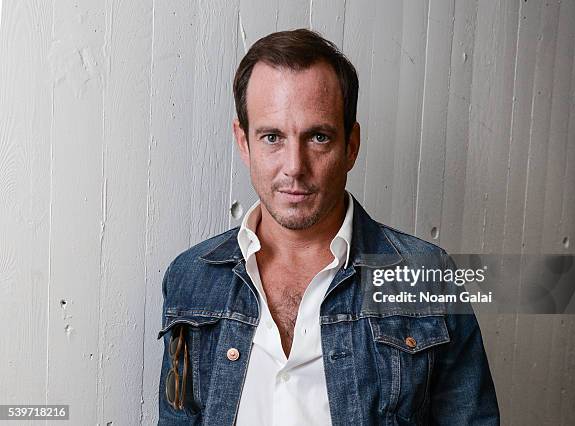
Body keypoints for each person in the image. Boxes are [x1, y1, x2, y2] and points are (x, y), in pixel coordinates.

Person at [158, 28, 500, 425]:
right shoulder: (192, 279)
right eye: (272, 137)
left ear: (351, 145)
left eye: (318, 137)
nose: (295, 167)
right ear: (243, 141)